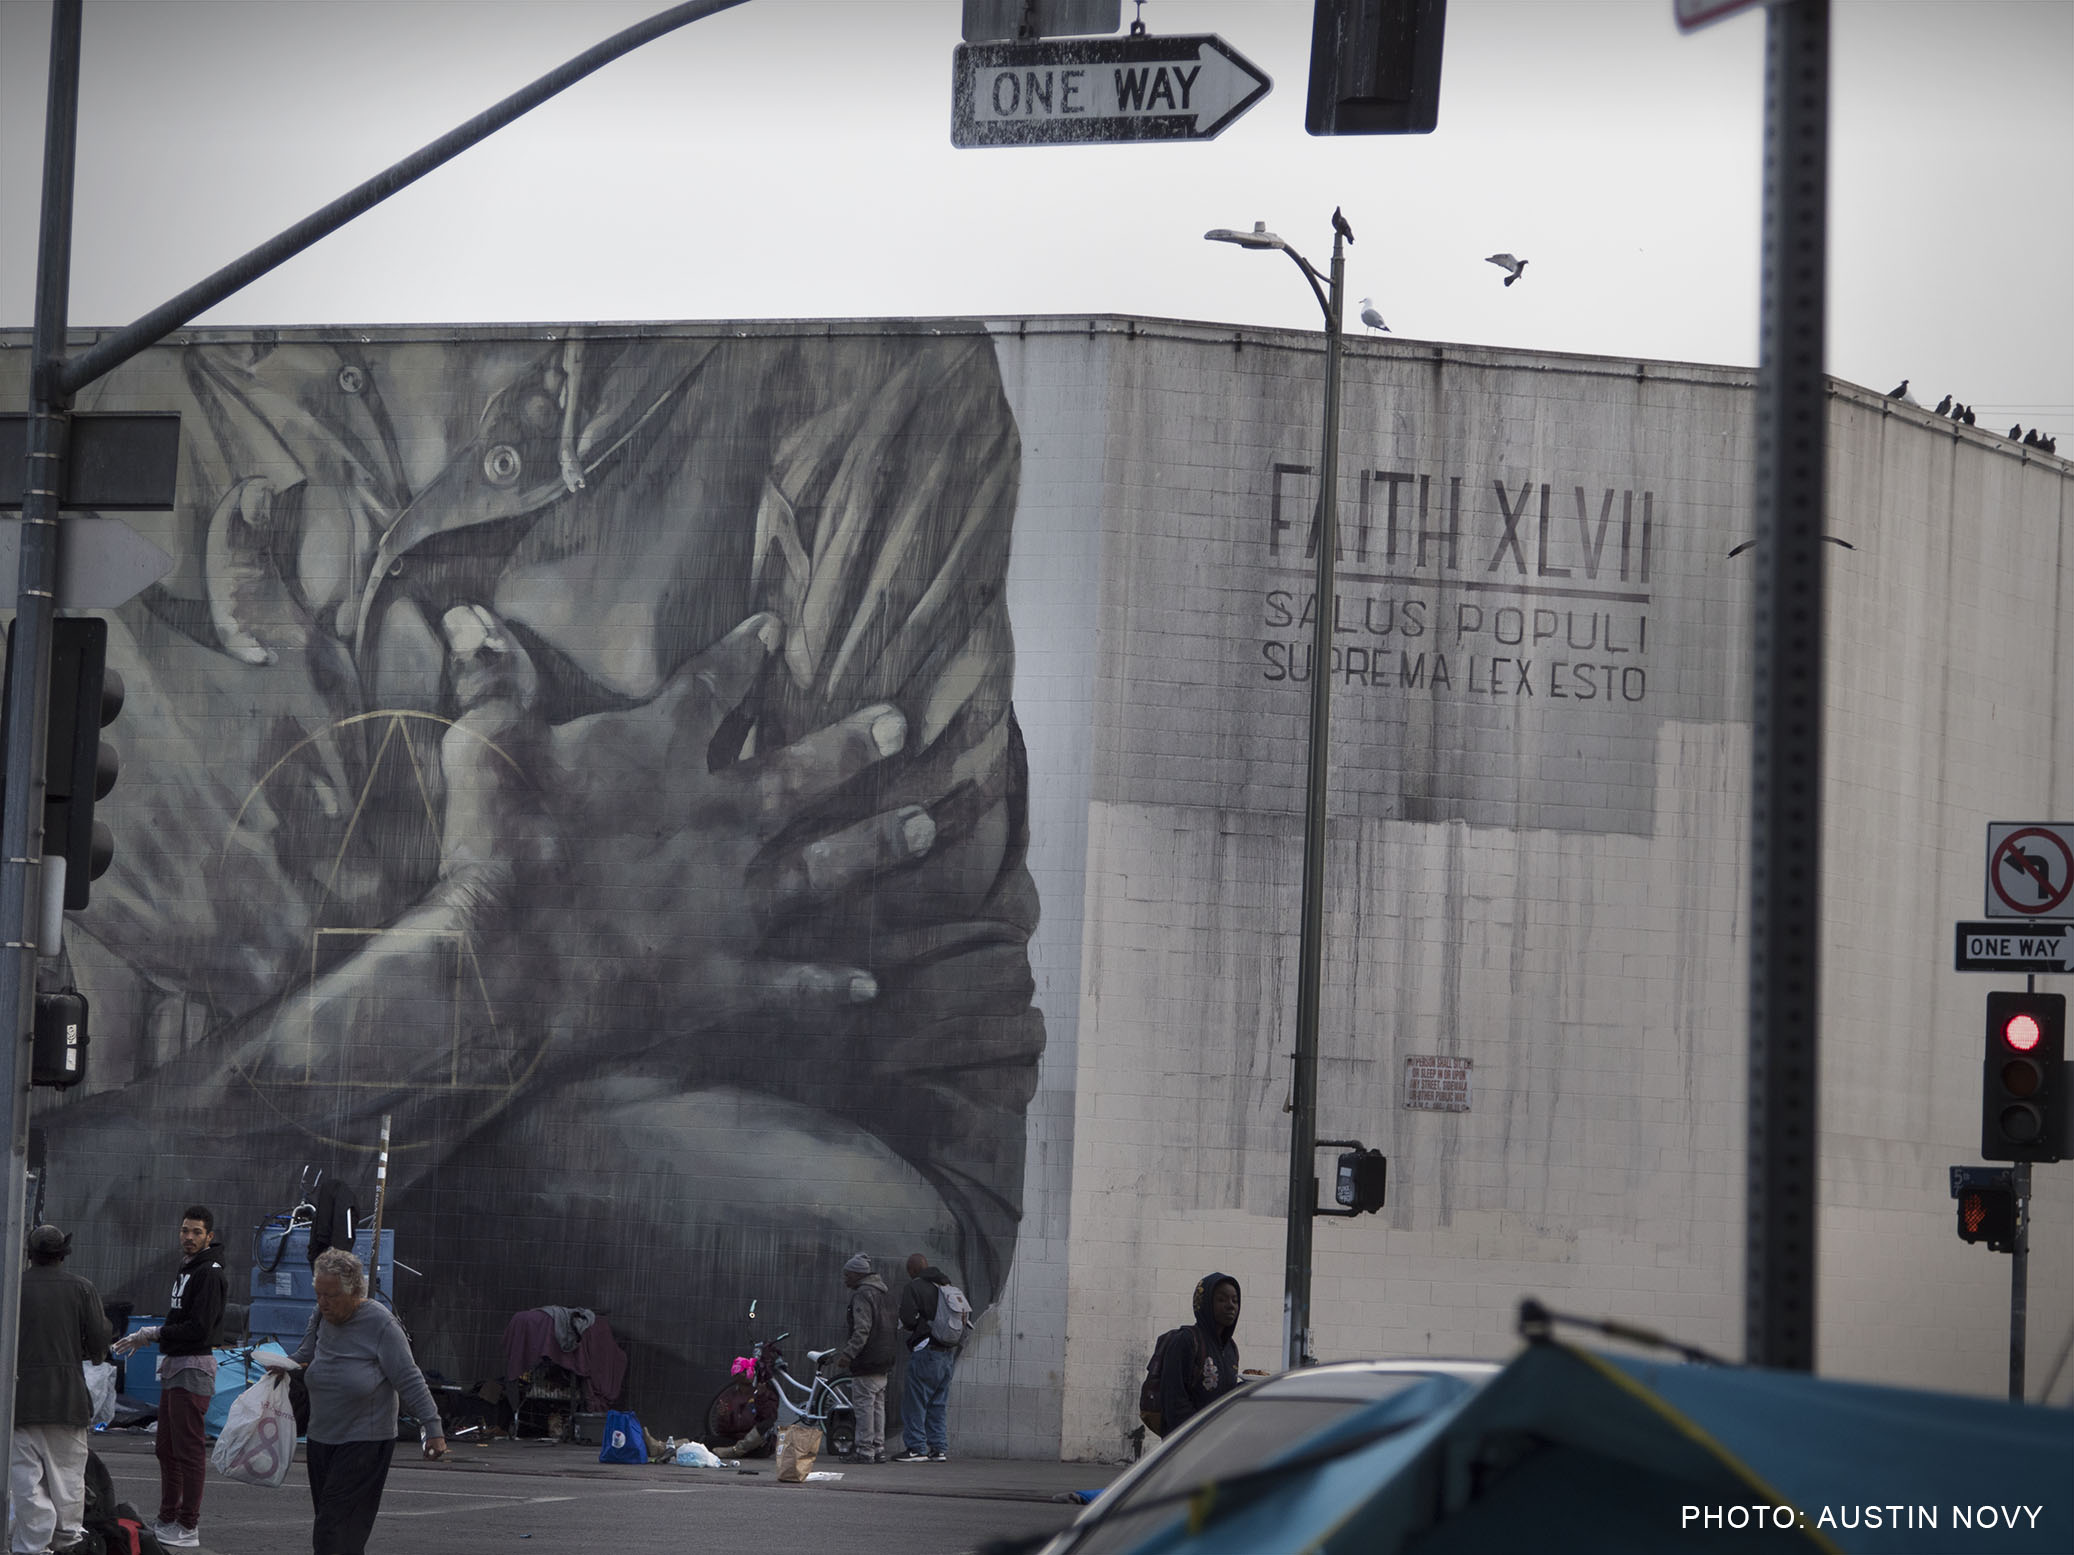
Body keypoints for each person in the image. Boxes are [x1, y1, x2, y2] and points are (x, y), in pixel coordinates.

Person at [41, 330, 1045, 1416]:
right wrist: (485, 981)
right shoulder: (104, 411)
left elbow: (919, 1251)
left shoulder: (852, 390)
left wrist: (373, 1035)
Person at [292, 1249, 447, 1555]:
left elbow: (409, 1378)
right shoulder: (320, 1316)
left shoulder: (381, 1324)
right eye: (318, 1294)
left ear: (354, 1292)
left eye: (331, 1295)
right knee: (338, 1529)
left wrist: (433, 1428)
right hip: (321, 1438)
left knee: (332, 1531)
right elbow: (304, 1354)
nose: (323, 1302)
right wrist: (278, 1366)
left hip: (365, 1441)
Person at [111, 1206, 225, 1550]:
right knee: (166, 1449)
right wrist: (155, 1335)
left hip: (193, 1367)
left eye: (196, 1232)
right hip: (175, 1365)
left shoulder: (210, 1273)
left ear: (209, 1236)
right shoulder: (188, 1267)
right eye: (185, 1230)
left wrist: (153, 1333)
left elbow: (199, 1328)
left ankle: (188, 1524)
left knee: (188, 1450)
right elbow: (180, 1319)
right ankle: (168, 1517)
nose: (188, 1237)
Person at [12, 1224, 112, 1555]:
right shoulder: (82, 1288)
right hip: (67, 1399)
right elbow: (99, 1342)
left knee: (27, 1483)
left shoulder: (12, 1287)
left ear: (30, 1254)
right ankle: (68, 1541)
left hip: (20, 1400)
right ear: (62, 1255)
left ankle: (32, 1545)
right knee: (68, 1479)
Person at [891, 1252, 960, 1463]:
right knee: (937, 1404)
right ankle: (938, 1449)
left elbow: (907, 1318)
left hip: (926, 1350)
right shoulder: (946, 1285)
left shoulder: (914, 1287)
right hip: (947, 1353)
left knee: (915, 1402)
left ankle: (916, 1448)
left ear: (912, 1270)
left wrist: (917, 1325)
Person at [828, 1253, 896, 1463]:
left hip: (867, 1359)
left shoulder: (863, 1295)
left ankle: (865, 1450)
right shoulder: (884, 1294)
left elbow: (862, 1330)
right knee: (877, 1406)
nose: (845, 1279)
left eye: (847, 1275)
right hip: (884, 1358)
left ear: (858, 1274)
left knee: (864, 1406)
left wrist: (848, 1354)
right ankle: (878, 1448)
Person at [1158, 1272, 1242, 1437]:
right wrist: (1200, 1437)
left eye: (1235, 1300)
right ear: (1205, 1304)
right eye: (1222, 1300)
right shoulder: (1186, 1341)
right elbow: (1174, 1401)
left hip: (1217, 1443)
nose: (1231, 1306)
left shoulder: (1231, 1348)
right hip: (1187, 1443)